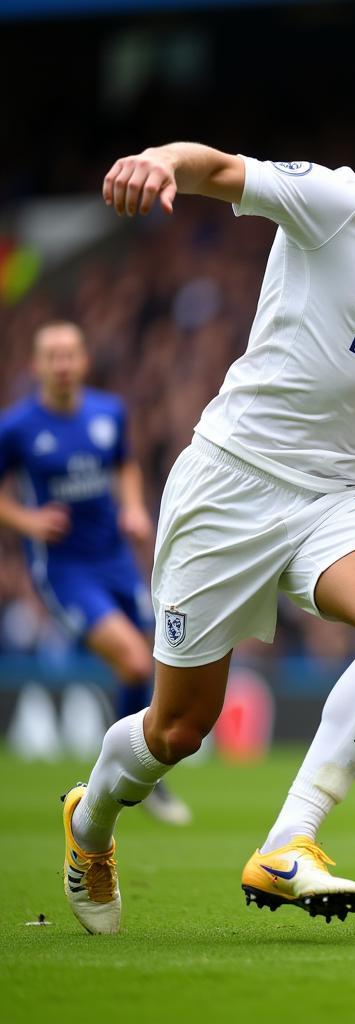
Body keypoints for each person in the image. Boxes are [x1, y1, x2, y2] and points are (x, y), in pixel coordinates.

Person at [60, 65, 355, 935]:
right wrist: (159, 158)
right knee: (179, 729)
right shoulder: (336, 203)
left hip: (331, 497)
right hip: (230, 485)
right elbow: (221, 169)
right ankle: (91, 820)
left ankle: (290, 840)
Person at [0, 321, 191, 826]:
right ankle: (125, 774)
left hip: (114, 558)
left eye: (70, 354)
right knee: (132, 662)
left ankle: (134, 773)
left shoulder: (109, 413)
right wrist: (28, 521)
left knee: (151, 658)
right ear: (37, 365)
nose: (62, 364)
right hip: (65, 570)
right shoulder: (17, 427)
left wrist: (131, 507)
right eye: (52, 356)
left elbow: (125, 464)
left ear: (83, 361)